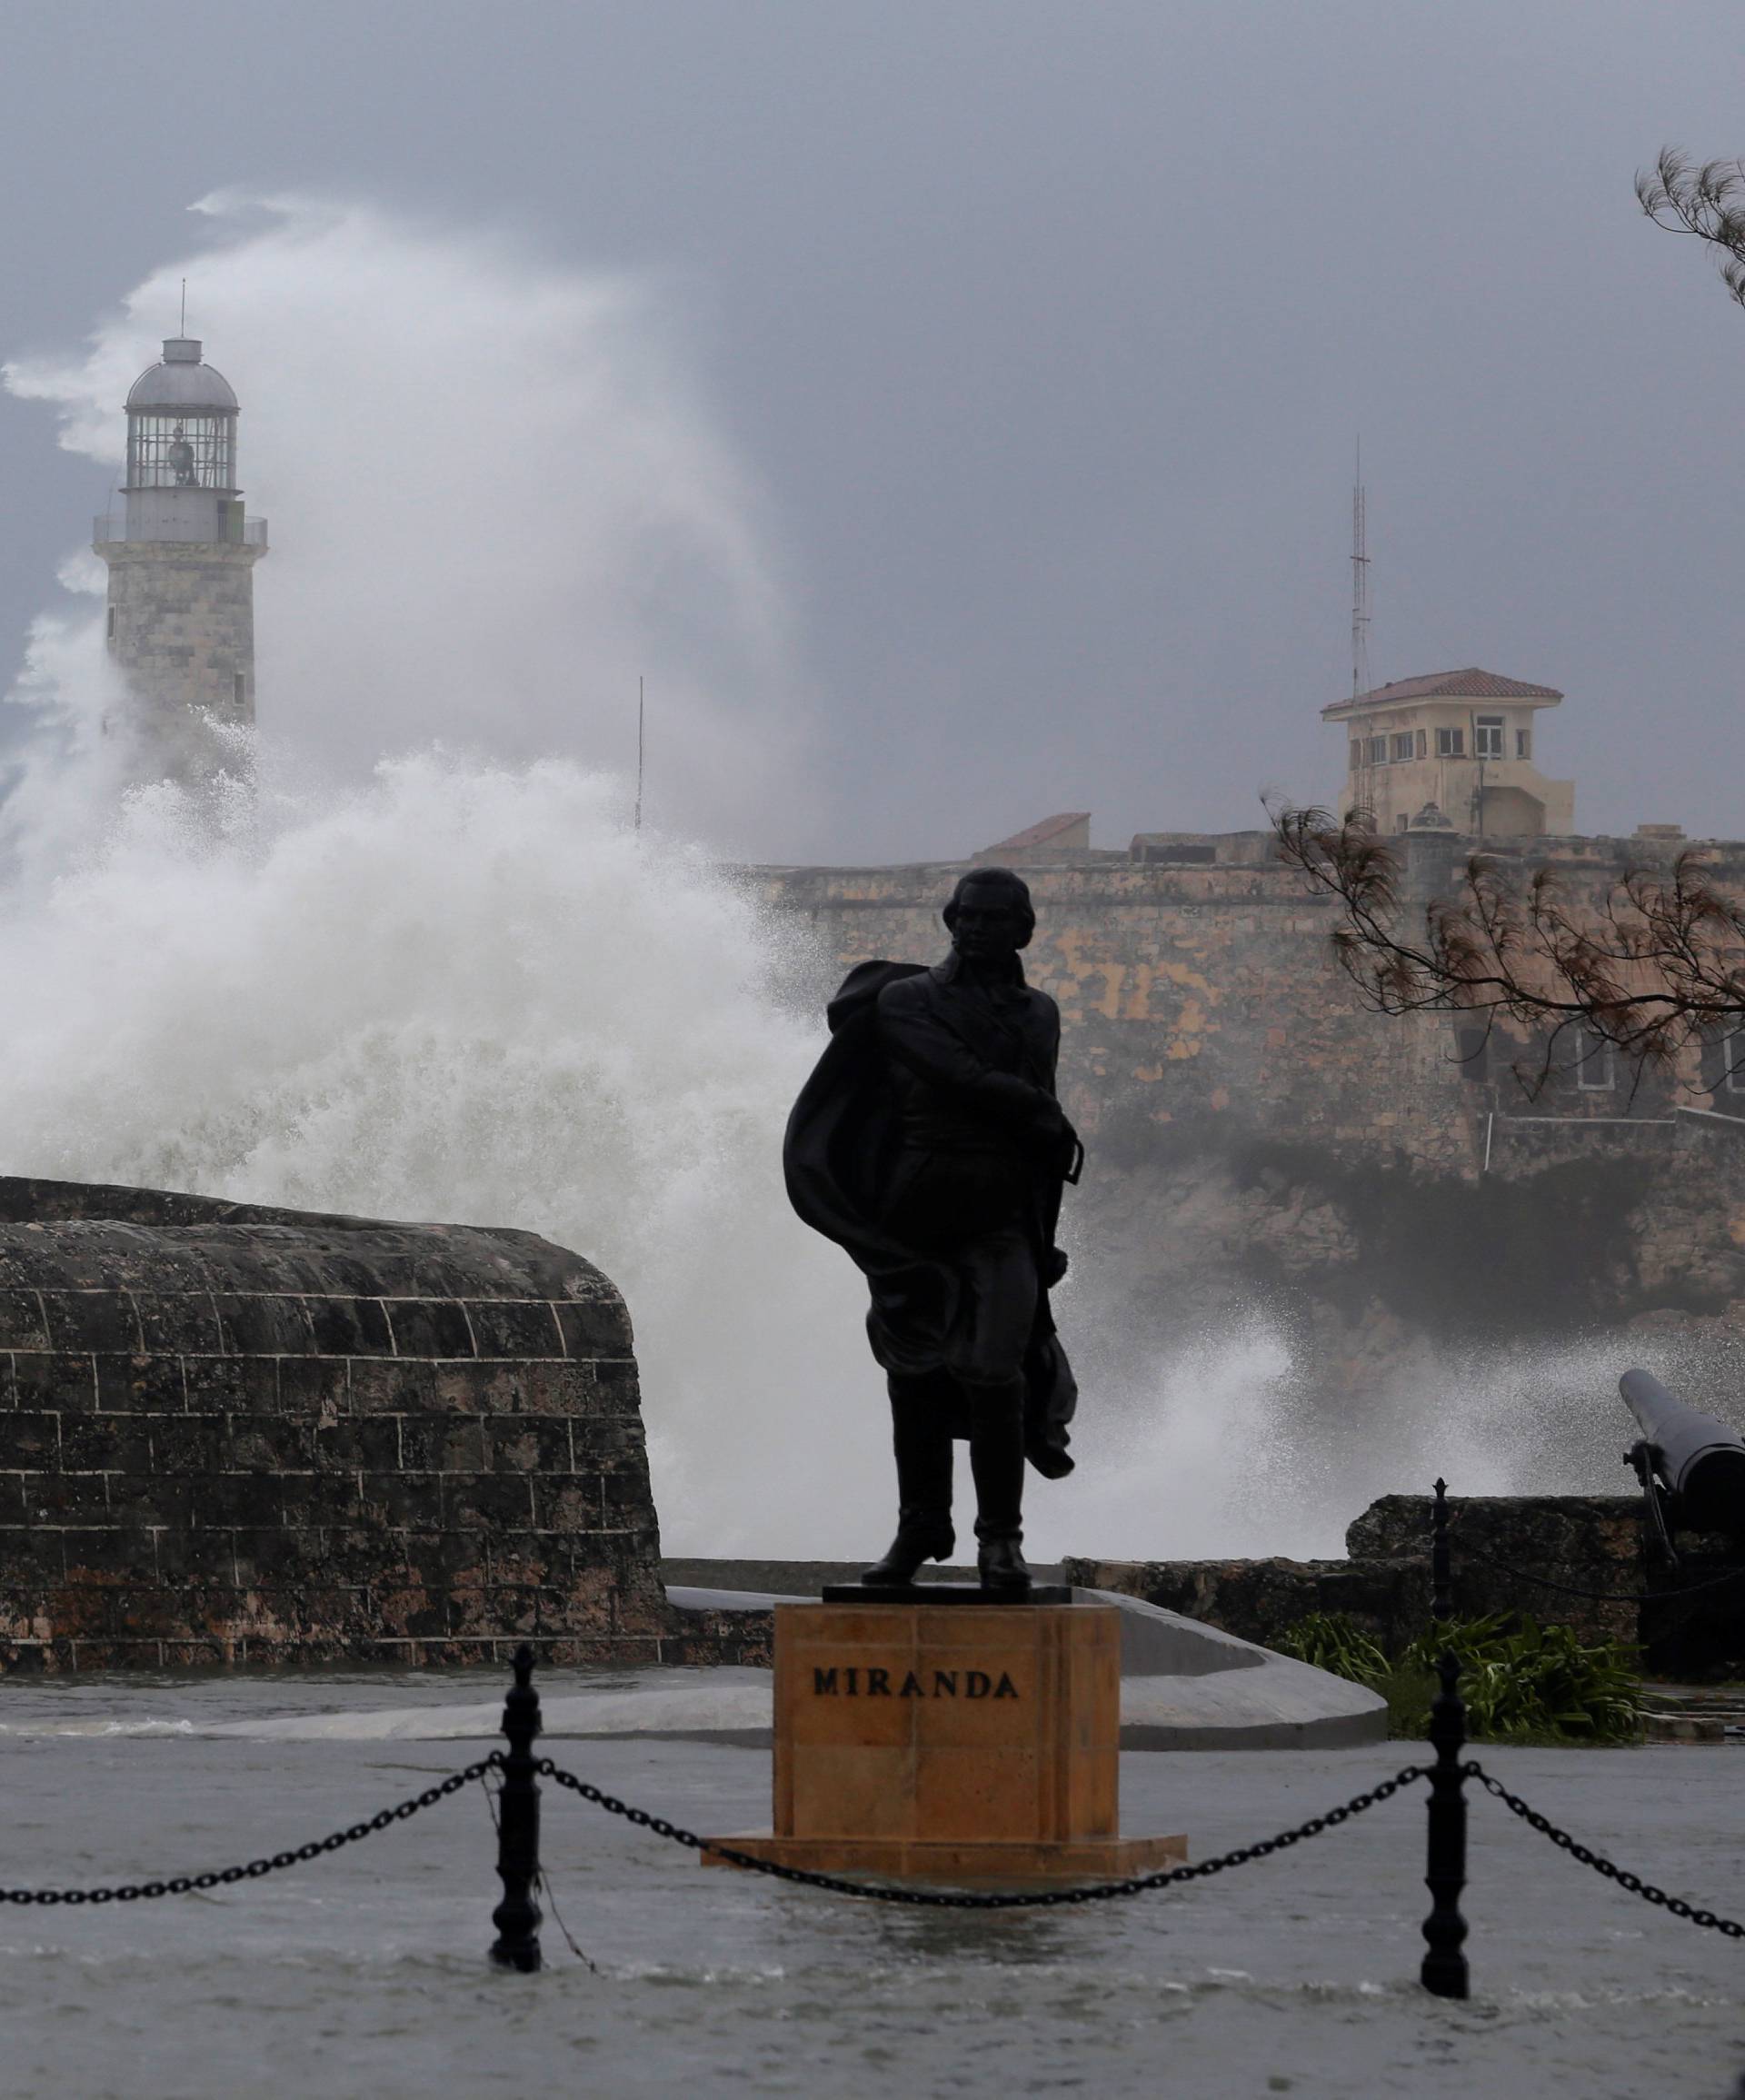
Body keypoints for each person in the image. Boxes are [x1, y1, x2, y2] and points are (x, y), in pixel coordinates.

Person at [783, 867, 1082, 1597]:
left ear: (1023, 930)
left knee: (995, 1372)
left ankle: (1001, 1540)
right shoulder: (904, 1002)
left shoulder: (1039, 1013)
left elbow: (1039, 1147)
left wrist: (1045, 1240)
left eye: (993, 918)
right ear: (951, 921)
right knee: (913, 1375)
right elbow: (962, 1076)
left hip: (1003, 1217)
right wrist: (1034, 1109)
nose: (977, 929)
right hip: (915, 1216)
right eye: (966, 917)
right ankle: (921, 1526)